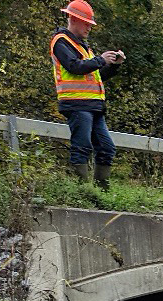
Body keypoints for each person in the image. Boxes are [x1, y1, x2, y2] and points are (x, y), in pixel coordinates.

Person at [50, 1, 124, 189]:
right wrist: (100, 60)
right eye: (86, 23)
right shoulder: (61, 42)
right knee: (82, 147)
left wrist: (114, 65)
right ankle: (82, 192)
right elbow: (74, 67)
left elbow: (95, 76)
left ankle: (102, 192)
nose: (89, 27)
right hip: (76, 104)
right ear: (73, 19)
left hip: (93, 106)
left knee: (107, 148)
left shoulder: (83, 47)